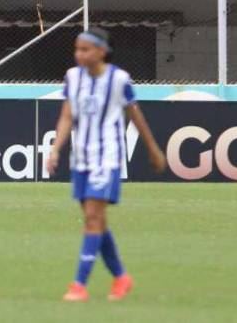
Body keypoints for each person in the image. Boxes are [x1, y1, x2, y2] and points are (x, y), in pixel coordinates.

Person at [46, 27, 167, 303]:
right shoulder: (73, 77)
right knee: (96, 220)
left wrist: (153, 149)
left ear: (102, 51)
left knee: (91, 218)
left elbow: (135, 116)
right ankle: (121, 277)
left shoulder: (118, 79)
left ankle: (79, 285)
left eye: (85, 49)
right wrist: (55, 148)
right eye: (77, 49)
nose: (79, 54)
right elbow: (67, 116)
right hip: (82, 158)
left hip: (107, 157)